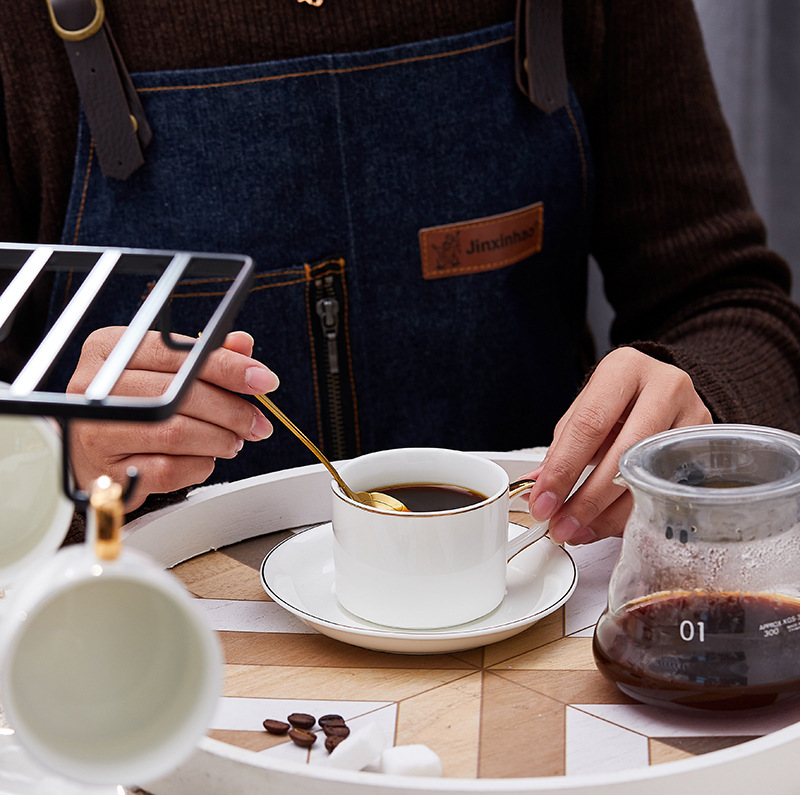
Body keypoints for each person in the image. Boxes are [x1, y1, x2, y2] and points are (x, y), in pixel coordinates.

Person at [2, 1, 800, 546]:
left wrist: (698, 404)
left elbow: (731, 304)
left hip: (543, 633)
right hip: (155, 686)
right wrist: (53, 460)